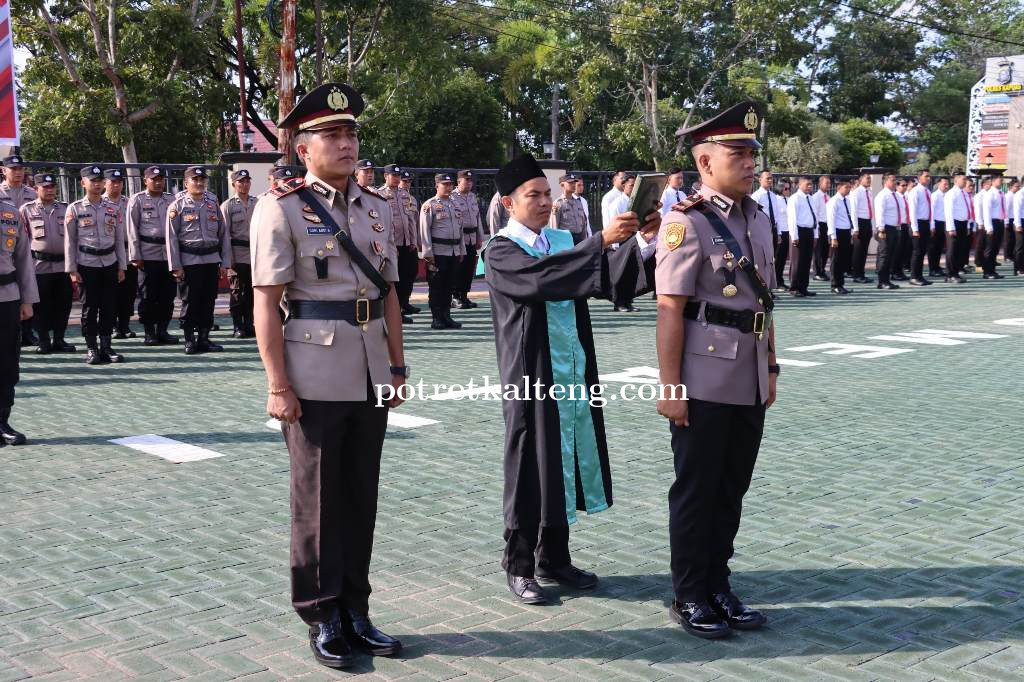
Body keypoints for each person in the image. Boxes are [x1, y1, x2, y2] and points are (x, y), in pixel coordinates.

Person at [250, 82, 406, 670]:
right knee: (317, 501)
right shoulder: (281, 207)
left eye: (351, 133)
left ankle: (356, 609)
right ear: (302, 148)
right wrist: (277, 385)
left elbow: (389, 294)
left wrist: (397, 366)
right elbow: (266, 303)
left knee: (360, 497)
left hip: (369, 369)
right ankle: (321, 614)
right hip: (312, 371)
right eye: (332, 135)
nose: (346, 143)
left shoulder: (377, 206)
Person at [483, 153, 659, 606]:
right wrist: (599, 241)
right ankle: (519, 565)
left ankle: (554, 558)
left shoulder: (561, 240)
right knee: (529, 462)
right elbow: (542, 281)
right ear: (509, 203)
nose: (545, 202)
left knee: (563, 459)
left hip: (573, 369)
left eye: (547, 194)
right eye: (534, 195)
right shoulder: (500, 250)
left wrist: (642, 241)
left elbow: (605, 280)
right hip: (531, 373)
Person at [658, 101, 775, 639]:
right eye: (738, 154)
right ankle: (689, 593)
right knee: (697, 489)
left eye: (752, 153)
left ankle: (718, 585)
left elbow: (764, 303)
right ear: (705, 162)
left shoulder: (758, 217)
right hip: (703, 378)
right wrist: (671, 387)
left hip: (748, 375)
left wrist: (770, 366)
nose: (750, 162)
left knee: (731, 489)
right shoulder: (685, 222)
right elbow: (670, 311)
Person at [65, 166, 127, 364]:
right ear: (83, 183)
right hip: (86, 264)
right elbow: (70, 241)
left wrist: (122, 266)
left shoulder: (114, 208)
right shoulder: (75, 208)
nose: (97, 184)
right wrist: (72, 269)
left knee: (109, 306)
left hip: (109, 263)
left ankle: (106, 347)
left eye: (100, 180)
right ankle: (91, 348)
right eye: (93, 180)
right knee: (90, 308)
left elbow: (119, 240)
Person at [167, 166, 231, 354]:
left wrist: (225, 262)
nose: (199, 183)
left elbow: (223, 235)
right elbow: (171, 238)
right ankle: (189, 339)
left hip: (211, 260)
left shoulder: (212, 204)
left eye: (202, 179)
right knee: (190, 301)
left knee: (208, 301)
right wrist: (176, 266)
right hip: (189, 261)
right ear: (186, 183)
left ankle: (204, 338)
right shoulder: (177, 206)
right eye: (195, 179)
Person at [0, 186, 37, 447]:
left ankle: (2, 421)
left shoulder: (11, 214)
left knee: (7, 362)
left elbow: (24, 259)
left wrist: (27, 299)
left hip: (7, 297)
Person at [21, 173, 74, 354]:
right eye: (45, 187)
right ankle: (43, 340)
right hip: (39, 266)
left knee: (63, 304)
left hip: (62, 266)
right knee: (40, 306)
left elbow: (73, 237)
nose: (50, 190)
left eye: (52, 187)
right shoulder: (26, 210)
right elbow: (22, 240)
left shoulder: (66, 208)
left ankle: (59, 339)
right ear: (36, 189)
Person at [127, 166, 179, 345]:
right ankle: (149, 332)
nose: (158, 182)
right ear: (145, 181)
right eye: (154, 179)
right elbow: (132, 229)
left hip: (169, 255)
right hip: (147, 254)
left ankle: (163, 330)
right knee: (148, 295)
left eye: (160, 179)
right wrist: (136, 255)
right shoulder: (137, 200)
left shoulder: (171, 200)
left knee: (168, 295)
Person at [1, 154, 40, 348]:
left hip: (24, 247)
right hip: (6, 248)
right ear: (4, 171)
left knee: (25, 290)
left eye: (20, 169)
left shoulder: (32, 193)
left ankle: (27, 332)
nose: (18, 172)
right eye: (13, 169)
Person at [419, 172, 465, 329]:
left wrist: (461, 250)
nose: (448, 187)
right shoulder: (429, 205)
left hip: (453, 251)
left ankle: (446, 316)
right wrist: (428, 253)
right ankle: (436, 318)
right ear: (436, 186)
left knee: (449, 286)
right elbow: (424, 231)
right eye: (445, 184)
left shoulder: (455, 204)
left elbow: (460, 229)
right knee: (437, 286)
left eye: (450, 184)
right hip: (438, 253)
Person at [378, 164, 420, 323]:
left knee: (407, 276)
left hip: (407, 243)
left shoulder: (405, 195)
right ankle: (391, 312)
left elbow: (411, 220)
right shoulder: (379, 194)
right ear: (385, 176)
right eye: (393, 176)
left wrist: (413, 241)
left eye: (398, 176)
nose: (396, 179)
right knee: (392, 279)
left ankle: (401, 308)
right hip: (391, 244)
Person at [221, 169, 258, 337]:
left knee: (252, 291)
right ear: (233, 184)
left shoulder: (257, 202)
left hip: (255, 254)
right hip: (237, 254)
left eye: (247, 181)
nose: (244, 184)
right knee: (237, 291)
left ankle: (249, 324)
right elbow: (224, 235)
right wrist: (228, 260)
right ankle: (238, 326)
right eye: (241, 181)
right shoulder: (228, 206)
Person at [102, 168, 138, 337]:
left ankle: (125, 325)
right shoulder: (99, 202)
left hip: (127, 252)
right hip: (108, 254)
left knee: (128, 292)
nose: (116, 185)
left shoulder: (129, 202)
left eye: (119, 182)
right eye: (113, 182)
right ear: (105, 183)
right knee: (110, 292)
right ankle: (112, 325)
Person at [451, 170, 485, 309]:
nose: (470, 183)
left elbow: (477, 218)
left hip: (472, 238)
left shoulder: (472, 197)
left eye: (471, 181)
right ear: (459, 181)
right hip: (460, 239)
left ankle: (464, 295)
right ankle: (455, 296)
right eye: (467, 180)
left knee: (469, 268)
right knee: (458, 268)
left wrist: (479, 237)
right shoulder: (452, 197)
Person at [751, 170, 788, 291]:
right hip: (761, 230)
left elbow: (776, 216)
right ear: (760, 180)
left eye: (771, 178)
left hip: (773, 229)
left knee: (772, 260)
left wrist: (778, 233)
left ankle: (770, 288)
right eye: (767, 178)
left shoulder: (773, 196)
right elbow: (753, 217)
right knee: (762, 260)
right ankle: (762, 289)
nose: (770, 180)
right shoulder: (756, 196)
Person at [786, 176, 817, 297]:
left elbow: (815, 216)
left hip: (809, 231)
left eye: (811, 184)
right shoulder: (795, 198)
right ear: (800, 185)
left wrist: (815, 234)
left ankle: (803, 287)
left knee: (806, 261)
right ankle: (794, 287)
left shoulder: (810, 198)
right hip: (799, 231)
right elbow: (792, 218)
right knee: (797, 261)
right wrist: (794, 236)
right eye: (807, 184)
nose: (810, 187)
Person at [873, 173, 901, 290]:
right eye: (892, 180)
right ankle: (882, 281)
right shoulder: (882, 196)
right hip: (885, 229)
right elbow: (880, 213)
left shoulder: (895, 195)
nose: (895, 182)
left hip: (894, 228)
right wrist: (881, 229)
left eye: (895, 180)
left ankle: (887, 280)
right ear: (885, 182)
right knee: (884, 255)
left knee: (890, 255)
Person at [826, 179, 855, 294]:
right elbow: (831, 220)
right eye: (846, 187)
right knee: (836, 259)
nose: (848, 189)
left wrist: (851, 232)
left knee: (843, 259)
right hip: (837, 232)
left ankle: (841, 284)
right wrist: (833, 237)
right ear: (839, 188)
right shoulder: (833, 201)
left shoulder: (847, 200)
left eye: (849, 187)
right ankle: (835, 285)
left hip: (846, 231)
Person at [906, 169, 934, 286]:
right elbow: (912, 211)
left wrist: (931, 225)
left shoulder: (927, 191)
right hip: (917, 223)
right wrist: (915, 229)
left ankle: (920, 275)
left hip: (925, 223)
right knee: (917, 251)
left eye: (929, 176)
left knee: (922, 251)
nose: (928, 178)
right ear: (919, 178)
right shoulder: (915, 191)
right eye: (926, 176)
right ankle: (914, 277)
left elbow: (930, 210)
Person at [943, 173, 971, 284]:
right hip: (954, 224)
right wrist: (951, 228)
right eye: (963, 179)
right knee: (952, 250)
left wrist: (967, 225)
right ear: (956, 180)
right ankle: (950, 274)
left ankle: (956, 273)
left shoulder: (963, 193)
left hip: (963, 223)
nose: (965, 181)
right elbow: (948, 211)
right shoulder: (951, 193)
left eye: (965, 179)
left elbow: (966, 210)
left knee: (959, 250)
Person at [847, 172, 875, 284]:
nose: (869, 180)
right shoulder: (856, 193)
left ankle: (861, 273)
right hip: (859, 222)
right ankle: (856, 275)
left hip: (867, 222)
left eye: (870, 178)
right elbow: (853, 211)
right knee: (858, 250)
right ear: (860, 180)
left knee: (864, 251)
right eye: (867, 178)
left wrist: (872, 225)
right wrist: (855, 228)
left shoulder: (869, 192)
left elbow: (871, 209)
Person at [549, 172, 590, 244]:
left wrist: (585, 241)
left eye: (574, 182)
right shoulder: (558, 203)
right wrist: (556, 244)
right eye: (570, 183)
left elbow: (583, 224)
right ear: (562, 185)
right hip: (565, 240)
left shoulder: (578, 203)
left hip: (579, 240)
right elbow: (554, 227)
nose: (573, 185)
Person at [981, 172, 1007, 279]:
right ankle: (987, 272)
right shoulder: (989, 194)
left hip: (1000, 222)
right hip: (992, 222)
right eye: (1000, 179)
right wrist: (989, 227)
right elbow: (986, 211)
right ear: (993, 181)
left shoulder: (1001, 193)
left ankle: (992, 270)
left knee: (996, 248)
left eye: (1002, 179)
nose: (1001, 181)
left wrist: (1005, 221)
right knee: (990, 248)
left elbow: (1003, 209)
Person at [928, 176, 949, 278]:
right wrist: (932, 226)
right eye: (945, 184)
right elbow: (931, 212)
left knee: (940, 247)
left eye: (947, 184)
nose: (947, 186)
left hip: (944, 223)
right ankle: (932, 269)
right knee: (933, 247)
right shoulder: (934, 196)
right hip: (936, 223)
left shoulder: (947, 195)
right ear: (938, 184)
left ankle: (937, 266)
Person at [812, 175, 831, 281]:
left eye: (829, 183)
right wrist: (817, 228)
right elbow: (815, 214)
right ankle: (817, 272)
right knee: (818, 250)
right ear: (820, 184)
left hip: (827, 225)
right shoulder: (816, 197)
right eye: (826, 183)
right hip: (820, 225)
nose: (828, 185)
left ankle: (822, 270)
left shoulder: (828, 197)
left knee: (825, 250)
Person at [892, 179, 911, 281]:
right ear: (897, 186)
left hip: (905, 225)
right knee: (897, 250)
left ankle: (900, 271)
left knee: (903, 250)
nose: (905, 187)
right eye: (902, 185)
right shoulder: (895, 197)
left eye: (906, 185)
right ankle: (895, 272)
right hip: (898, 225)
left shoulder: (905, 197)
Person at [973, 177, 990, 272]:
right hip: (982, 222)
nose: (990, 185)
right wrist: (980, 223)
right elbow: (978, 210)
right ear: (983, 185)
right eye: (988, 183)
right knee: (980, 244)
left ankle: (986, 261)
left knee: (988, 244)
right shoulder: (979, 196)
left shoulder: (991, 194)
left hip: (989, 222)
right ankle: (978, 263)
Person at [1004, 179, 1018, 268]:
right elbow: (1006, 209)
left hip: (1014, 218)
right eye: (1016, 186)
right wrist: (1006, 221)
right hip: (1009, 218)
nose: (1018, 188)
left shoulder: (1015, 195)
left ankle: (1011, 255)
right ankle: (1007, 256)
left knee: (1013, 239)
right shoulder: (1008, 196)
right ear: (1010, 187)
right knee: (1008, 239)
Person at [1014, 178, 1024, 276]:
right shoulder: (1020, 194)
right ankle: (1018, 269)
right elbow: (1017, 210)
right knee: (1020, 247)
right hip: (1021, 221)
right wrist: (1018, 224)